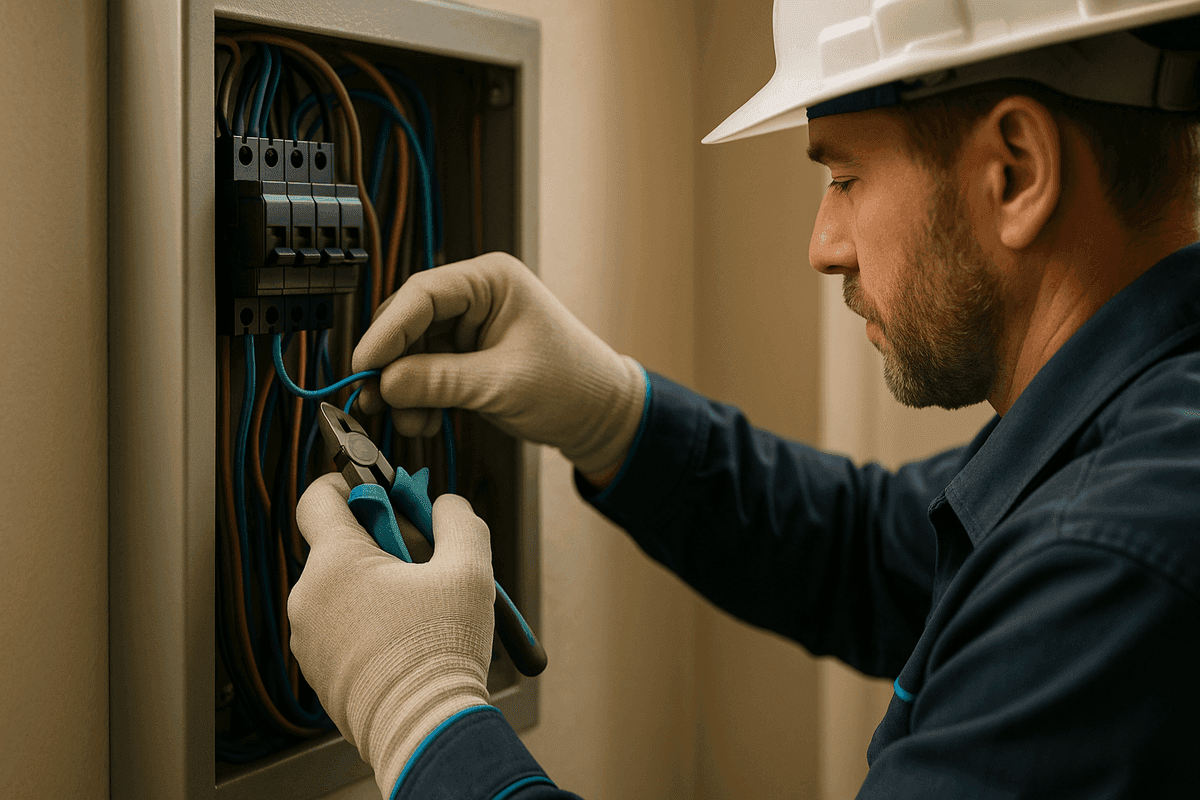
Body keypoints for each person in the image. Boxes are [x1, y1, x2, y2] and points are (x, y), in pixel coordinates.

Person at [287, 3, 1200, 797]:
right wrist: (612, 413)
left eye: (845, 178)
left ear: (1015, 171)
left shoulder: (1114, 561)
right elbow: (871, 551)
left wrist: (420, 713)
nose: (824, 244)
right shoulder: (1137, 430)